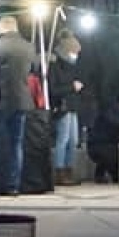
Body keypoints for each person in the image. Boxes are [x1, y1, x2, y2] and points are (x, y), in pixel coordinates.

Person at [0, 15, 36, 196]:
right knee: (17, 144)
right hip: (22, 100)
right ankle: (13, 184)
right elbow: (32, 70)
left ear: (2, 27)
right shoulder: (28, 45)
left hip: (0, 100)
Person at [48, 30, 85, 186]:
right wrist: (72, 87)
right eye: (72, 52)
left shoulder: (70, 67)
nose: (74, 56)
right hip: (62, 107)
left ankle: (69, 170)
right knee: (62, 140)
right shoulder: (54, 65)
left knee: (73, 140)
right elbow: (53, 89)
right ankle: (59, 172)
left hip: (72, 107)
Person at [87, 90, 119, 185]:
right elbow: (114, 122)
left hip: (117, 144)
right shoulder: (110, 110)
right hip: (99, 144)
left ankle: (118, 175)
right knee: (111, 156)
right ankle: (103, 174)